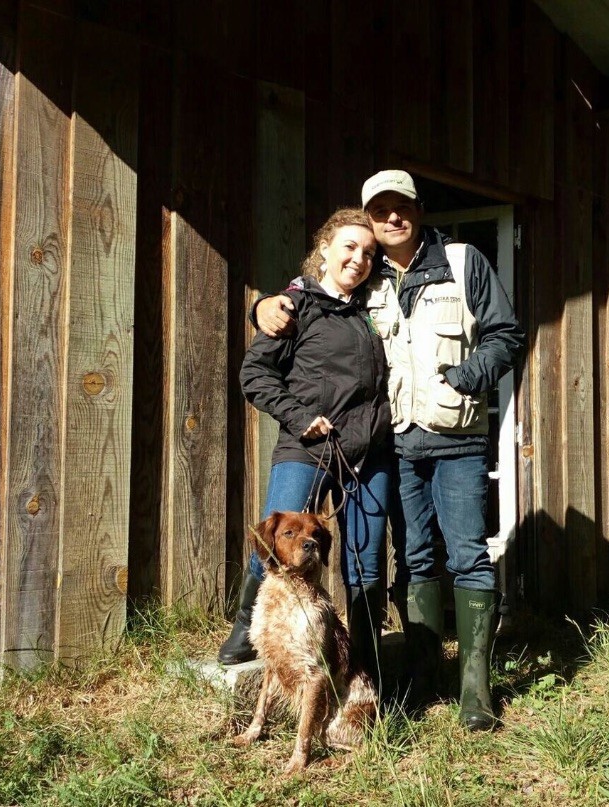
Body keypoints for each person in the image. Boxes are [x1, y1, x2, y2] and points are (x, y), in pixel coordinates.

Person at [254, 170, 525, 730]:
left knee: (467, 553)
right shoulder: (368, 284)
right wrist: (264, 305)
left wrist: (468, 376)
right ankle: (421, 677)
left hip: (456, 438)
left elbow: (506, 336)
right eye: (380, 212)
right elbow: (308, 296)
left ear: (417, 210)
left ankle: (475, 691)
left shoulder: (463, 262)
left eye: (401, 207)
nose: (392, 219)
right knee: (417, 558)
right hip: (396, 444)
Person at [219, 208, 393, 692]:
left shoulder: (373, 308)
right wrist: (298, 416)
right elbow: (254, 375)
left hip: (366, 452)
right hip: (309, 445)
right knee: (276, 540)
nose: (359, 260)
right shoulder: (297, 306)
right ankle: (247, 631)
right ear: (325, 250)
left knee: (365, 556)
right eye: (349, 248)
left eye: (369, 253)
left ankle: (362, 658)